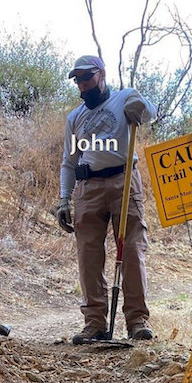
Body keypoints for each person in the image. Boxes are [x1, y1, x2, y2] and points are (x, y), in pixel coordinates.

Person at [56, 55, 152, 344]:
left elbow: (149, 113)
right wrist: (64, 199)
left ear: (102, 74)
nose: (83, 84)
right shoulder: (75, 118)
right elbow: (69, 162)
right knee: (88, 254)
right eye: (79, 80)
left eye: (88, 77)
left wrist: (141, 108)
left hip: (124, 180)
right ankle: (95, 322)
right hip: (88, 186)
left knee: (132, 249)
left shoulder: (125, 98)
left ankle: (137, 321)